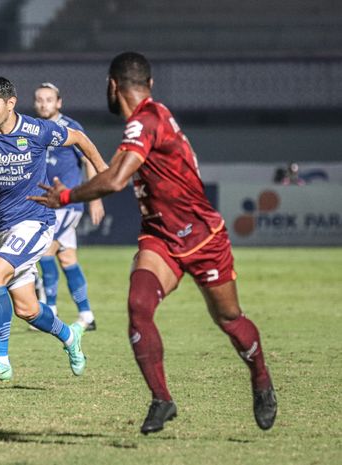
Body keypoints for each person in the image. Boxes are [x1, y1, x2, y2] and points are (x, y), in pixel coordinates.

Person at [29, 52, 277, 434]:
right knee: (138, 306)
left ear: (113, 86)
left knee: (229, 318)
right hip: (160, 236)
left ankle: (261, 380)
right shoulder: (147, 118)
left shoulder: (145, 121)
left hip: (203, 236)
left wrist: (65, 197)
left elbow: (114, 181)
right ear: (150, 84)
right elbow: (116, 170)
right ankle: (162, 399)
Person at [0, 77, 107, 382]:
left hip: (36, 222)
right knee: (27, 309)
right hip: (3, 226)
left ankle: (0, 359)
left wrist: (104, 175)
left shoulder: (37, 130)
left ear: (10, 103)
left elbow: (81, 140)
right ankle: (70, 336)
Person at [34, 82, 105, 330]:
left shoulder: (71, 128)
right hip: (47, 205)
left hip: (67, 205)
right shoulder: (35, 128)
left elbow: (88, 161)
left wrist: (94, 197)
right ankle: (86, 315)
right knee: (67, 259)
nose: (44, 103)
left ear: (59, 102)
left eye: (49, 99)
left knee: (44, 252)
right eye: (40, 99)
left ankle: (49, 311)